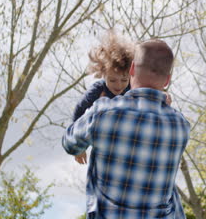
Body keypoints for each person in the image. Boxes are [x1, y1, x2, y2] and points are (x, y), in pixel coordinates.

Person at [63, 39, 190, 218]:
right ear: (167, 80)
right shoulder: (181, 126)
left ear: (131, 71)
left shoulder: (103, 112)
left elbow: (70, 143)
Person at [72, 30, 134, 165]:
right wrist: (79, 146)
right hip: (105, 141)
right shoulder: (97, 90)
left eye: (124, 80)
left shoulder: (133, 88)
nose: (118, 86)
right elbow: (79, 112)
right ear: (103, 74)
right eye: (112, 80)